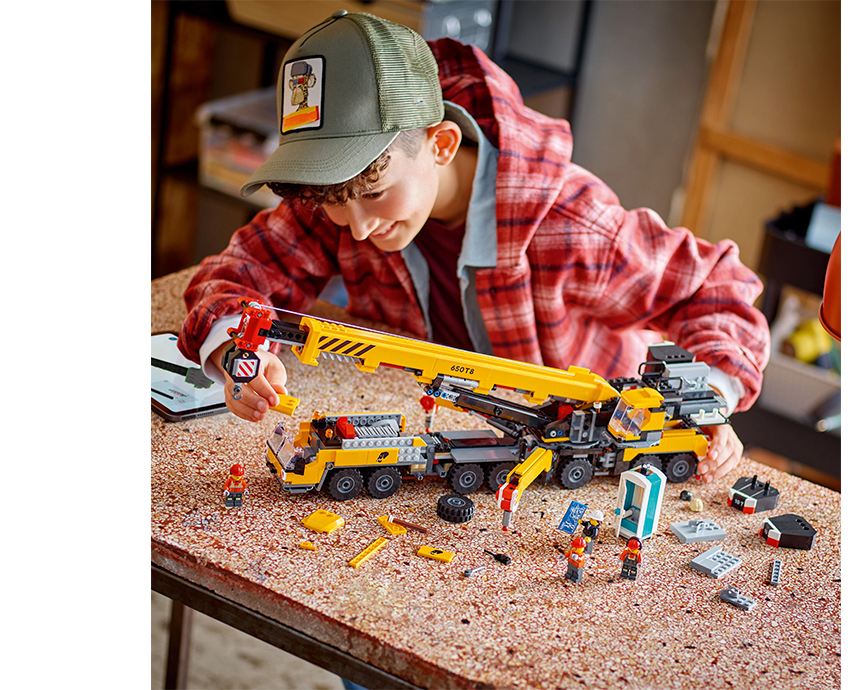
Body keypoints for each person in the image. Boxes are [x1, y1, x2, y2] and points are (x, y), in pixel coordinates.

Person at [177, 10, 770, 485]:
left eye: (374, 194)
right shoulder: (344, 197)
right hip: (444, 443)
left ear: (439, 144)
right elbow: (235, 273)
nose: (354, 228)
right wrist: (236, 354)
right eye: (334, 203)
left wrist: (701, 402)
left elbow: (717, 290)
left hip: (584, 459)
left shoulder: (573, 226)